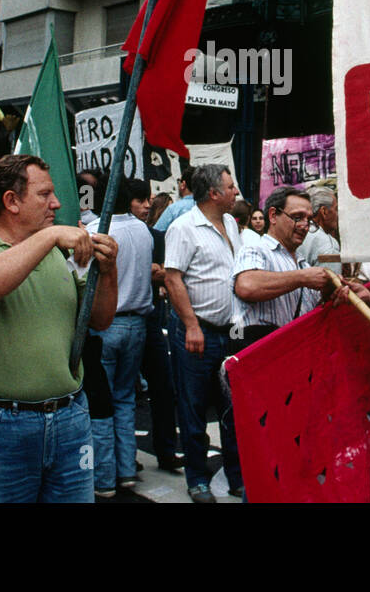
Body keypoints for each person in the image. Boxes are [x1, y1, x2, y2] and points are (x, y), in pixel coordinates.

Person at [0, 154, 118, 503]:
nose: (56, 203)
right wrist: (50, 236)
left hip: (70, 418)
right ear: (11, 201)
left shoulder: (60, 255)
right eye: (44, 195)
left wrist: (109, 268)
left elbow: (100, 319)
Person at [162, 163, 243, 502]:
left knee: (233, 411)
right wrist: (192, 325)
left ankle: (238, 477)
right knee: (194, 409)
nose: (236, 192)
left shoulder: (232, 224)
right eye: (230, 186)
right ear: (213, 193)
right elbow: (172, 278)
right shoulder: (183, 228)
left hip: (231, 333)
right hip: (198, 333)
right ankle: (198, 479)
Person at [88, 177, 155, 498]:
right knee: (126, 398)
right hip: (137, 325)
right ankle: (126, 468)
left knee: (100, 403)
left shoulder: (98, 233)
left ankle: (103, 476)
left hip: (105, 325)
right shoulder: (143, 230)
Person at [231, 186, 330, 343]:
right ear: (273, 215)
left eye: (309, 220)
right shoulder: (256, 249)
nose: (304, 225)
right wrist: (302, 278)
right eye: (297, 217)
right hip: (260, 356)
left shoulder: (303, 264)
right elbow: (247, 286)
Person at [134, 184, 181, 472]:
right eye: (141, 200)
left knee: (163, 388)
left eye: (150, 200)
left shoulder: (157, 237)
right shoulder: (111, 231)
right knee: (124, 394)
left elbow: (167, 273)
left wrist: (159, 273)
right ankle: (125, 458)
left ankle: (166, 451)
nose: (147, 205)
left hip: (151, 319)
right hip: (121, 319)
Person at [296, 186, 340, 268]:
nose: (338, 214)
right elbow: (332, 279)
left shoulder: (293, 232)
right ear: (324, 212)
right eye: (336, 209)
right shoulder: (328, 245)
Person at [153, 166, 196, 232]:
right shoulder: (208, 207)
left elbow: (156, 233)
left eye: (179, 181)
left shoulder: (174, 209)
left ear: (183, 185)